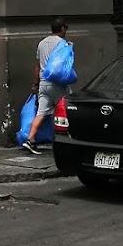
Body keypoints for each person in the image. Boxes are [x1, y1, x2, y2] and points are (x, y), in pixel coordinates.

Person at [23, 17, 71, 154]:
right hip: (58, 84)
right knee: (65, 111)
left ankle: (30, 140)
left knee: (41, 113)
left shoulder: (42, 43)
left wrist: (35, 84)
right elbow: (64, 65)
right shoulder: (63, 44)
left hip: (43, 84)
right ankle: (66, 142)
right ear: (62, 29)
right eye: (65, 28)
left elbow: (37, 66)